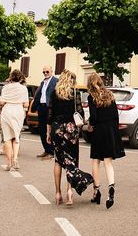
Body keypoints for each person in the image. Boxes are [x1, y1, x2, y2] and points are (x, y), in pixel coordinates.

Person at [47, 70, 93, 205]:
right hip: (71, 129)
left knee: (58, 161)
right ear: (72, 80)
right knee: (71, 161)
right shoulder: (75, 93)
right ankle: (69, 193)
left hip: (56, 129)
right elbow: (80, 112)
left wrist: (48, 132)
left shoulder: (54, 93)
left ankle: (57, 193)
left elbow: (49, 114)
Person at [86, 73, 125, 209]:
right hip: (111, 130)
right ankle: (111, 186)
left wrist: (89, 125)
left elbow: (94, 117)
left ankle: (96, 191)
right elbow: (115, 115)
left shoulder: (92, 97)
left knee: (96, 160)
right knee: (108, 162)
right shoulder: (109, 94)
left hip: (99, 131)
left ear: (90, 84)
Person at [0, 69, 29, 171]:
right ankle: (15, 158)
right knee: (16, 137)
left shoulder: (5, 88)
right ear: (20, 78)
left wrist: (2, 100)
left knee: (7, 138)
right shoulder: (23, 89)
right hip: (18, 111)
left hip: (7, 111)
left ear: (11, 77)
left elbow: (1, 102)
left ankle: (9, 162)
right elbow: (26, 104)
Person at [31, 65, 58, 160]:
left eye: (47, 71)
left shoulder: (56, 81)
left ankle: (51, 152)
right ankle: (46, 149)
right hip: (41, 107)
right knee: (42, 129)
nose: (45, 73)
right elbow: (39, 95)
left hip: (49, 108)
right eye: (44, 72)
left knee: (49, 130)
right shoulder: (43, 82)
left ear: (51, 71)